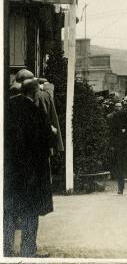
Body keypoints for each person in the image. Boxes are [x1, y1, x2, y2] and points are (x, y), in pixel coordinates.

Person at [4, 76, 55, 257]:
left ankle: (6, 249)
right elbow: (46, 139)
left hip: (10, 171)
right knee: (29, 212)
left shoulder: (7, 108)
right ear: (34, 93)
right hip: (31, 172)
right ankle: (28, 250)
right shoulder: (36, 112)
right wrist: (52, 131)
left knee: (8, 210)